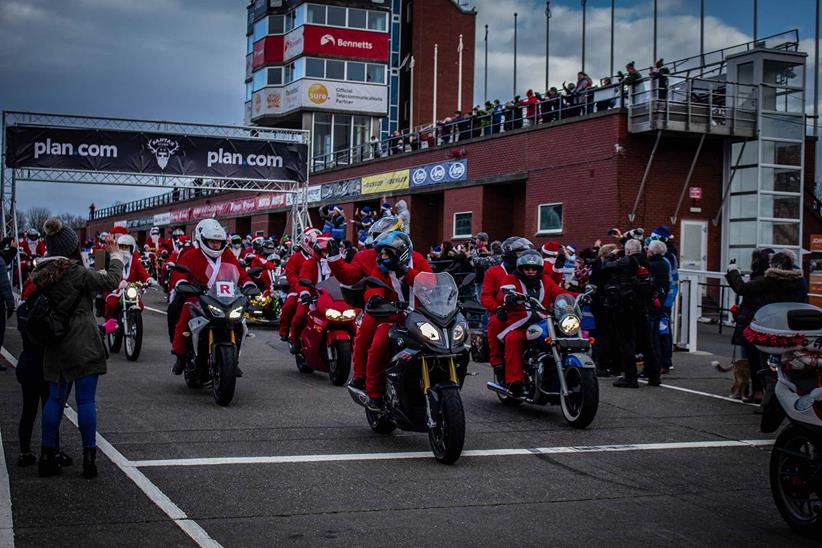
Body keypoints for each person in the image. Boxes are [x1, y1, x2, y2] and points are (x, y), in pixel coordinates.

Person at [33, 218, 123, 479]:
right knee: (86, 401)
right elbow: (109, 280)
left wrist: (99, 253)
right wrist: (113, 254)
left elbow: (95, 275)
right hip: (83, 342)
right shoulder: (76, 272)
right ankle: (89, 459)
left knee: (54, 400)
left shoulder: (43, 273)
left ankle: (47, 455)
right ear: (72, 247)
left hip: (56, 343)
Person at [168, 219, 255, 375]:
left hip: (226, 298)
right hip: (199, 297)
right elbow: (179, 273)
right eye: (211, 241)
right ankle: (180, 355)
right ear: (202, 240)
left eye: (218, 241)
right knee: (185, 314)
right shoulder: (190, 255)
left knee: (240, 322)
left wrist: (248, 283)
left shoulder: (227, 254)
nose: (215, 245)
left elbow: (241, 274)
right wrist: (182, 282)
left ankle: (232, 360)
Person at [327, 216, 404, 389]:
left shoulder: (412, 255)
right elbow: (349, 276)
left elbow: (427, 279)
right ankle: (360, 376)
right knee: (364, 336)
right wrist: (335, 261)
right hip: (380, 309)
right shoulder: (366, 257)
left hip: (411, 309)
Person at [362, 231, 432, 408]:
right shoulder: (380, 269)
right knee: (377, 346)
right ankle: (374, 394)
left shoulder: (417, 261)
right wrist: (375, 298)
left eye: (386, 252)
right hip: (394, 319)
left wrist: (405, 271)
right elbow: (373, 286)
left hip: (422, 318)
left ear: (399, 252)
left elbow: (430, 283)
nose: (381, 256)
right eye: (381, 253)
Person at [726, 250, 805, 403]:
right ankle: (790, 396)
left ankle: (766, 398)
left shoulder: (770, 280)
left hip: (771, 325)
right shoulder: (799, 280)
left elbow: (742, 288)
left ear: (775, 265)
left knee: (764, 364)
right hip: (790, 326)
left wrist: (733, 271)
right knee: (788, 363)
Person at [496, 250, 573, 395]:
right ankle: (515, 380)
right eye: (527, 268)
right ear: (521, 268)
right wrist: (509, 298)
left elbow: (559, 292)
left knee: (562, 335)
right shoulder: (511, 279)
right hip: (520, 323)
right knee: (513, 338)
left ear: (539, 269)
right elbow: (502, 294)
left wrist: (579, 296)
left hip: (544, 321)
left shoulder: (546, 280)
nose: (531, 271)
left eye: (534, 268)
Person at [15, 279, 71, 468]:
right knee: (51, 408)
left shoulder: (24, 309)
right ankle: (51, 450)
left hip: (27, 361)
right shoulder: (49, 310)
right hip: (47, 364)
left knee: (28, 411)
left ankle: (25, 451)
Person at [603, 239, 660, 388]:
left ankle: (630, 378)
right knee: (648, 343)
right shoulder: (647, 262)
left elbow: (606, 267)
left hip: (625, 307)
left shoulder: (626, 261)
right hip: (642, 307)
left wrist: (611, 256)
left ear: (628, 251)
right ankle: (654, 376)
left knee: (627, 342)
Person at [481, 237, 532, 379]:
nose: (525, 256)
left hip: (526, 312)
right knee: (496, 323)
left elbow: (549, 283)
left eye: (526, 252)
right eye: (520, 253)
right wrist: (497, 308)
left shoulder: (528, 270)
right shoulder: (494, 271)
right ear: (509, 253)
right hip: (504, 312)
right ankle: (497, 361)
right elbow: (486, 296)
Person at [289, 235, 333, 352]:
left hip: (332, 299)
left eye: (327, 251)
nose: (326, 254)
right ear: (318, 250)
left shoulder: (335, 263)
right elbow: (303, 278)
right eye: (323, 251)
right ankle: (294, 340)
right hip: (312, 298)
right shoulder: (309, 263)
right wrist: (304, 293)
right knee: (300, 316)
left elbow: (343, 278)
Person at [278, 228, 318, 342]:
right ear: (305, 242)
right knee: (288, 307)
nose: (315, 247)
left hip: (316, 290)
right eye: (312, 244)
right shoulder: (296, 257)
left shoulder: (319, 258)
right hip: (297, 289)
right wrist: (300, 287)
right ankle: (284, 331)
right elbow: (291, 275)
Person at [103, 235, 152, 322]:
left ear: (131, 248)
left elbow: (143, 273)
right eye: (121, 247)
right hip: (115, 288)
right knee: (111, 304)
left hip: (131, 289)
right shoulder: (114, 259)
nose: (123, 250)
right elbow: (107, 272)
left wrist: (148, 280)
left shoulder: (135, 261)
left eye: (126, 247)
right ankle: (109, 325)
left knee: (140, 305)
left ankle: (134, 323)